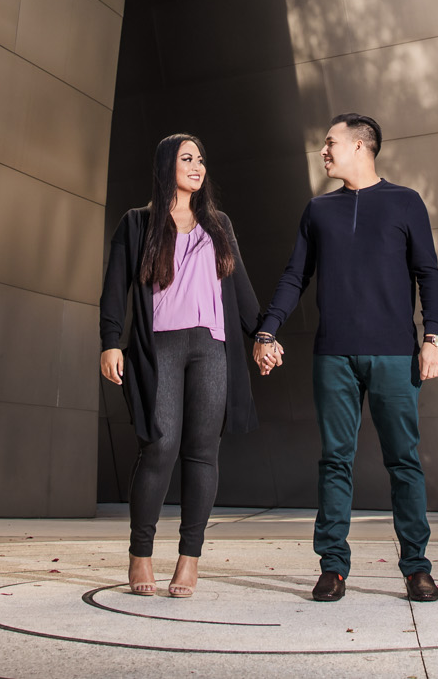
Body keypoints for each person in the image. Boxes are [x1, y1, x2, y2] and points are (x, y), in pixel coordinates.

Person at [251, 113, 438, 604]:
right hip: (333, 356)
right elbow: (295, 276)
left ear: (361, 146)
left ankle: (416, 569)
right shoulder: (318, 211)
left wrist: (433, 339)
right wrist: (267, 327)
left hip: (396, 355)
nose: (324, 150)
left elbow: (429, 274)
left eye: (330, 142)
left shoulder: (406, 202)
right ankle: (333, 567)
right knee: (335, 460)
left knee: (403, 461)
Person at [99, 133, 262, 598]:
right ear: (166, 163)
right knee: (158, 446)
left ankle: (189, 559)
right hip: (159, 348)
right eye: (187, 158)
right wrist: (111, 342)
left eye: (201, 159)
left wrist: (263, 335)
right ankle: (141, 554)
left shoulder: (218, 225)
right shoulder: (137, 223)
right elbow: (114, 289)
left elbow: (242, 289)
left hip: (211, 347)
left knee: (202, 452)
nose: (197, 166)